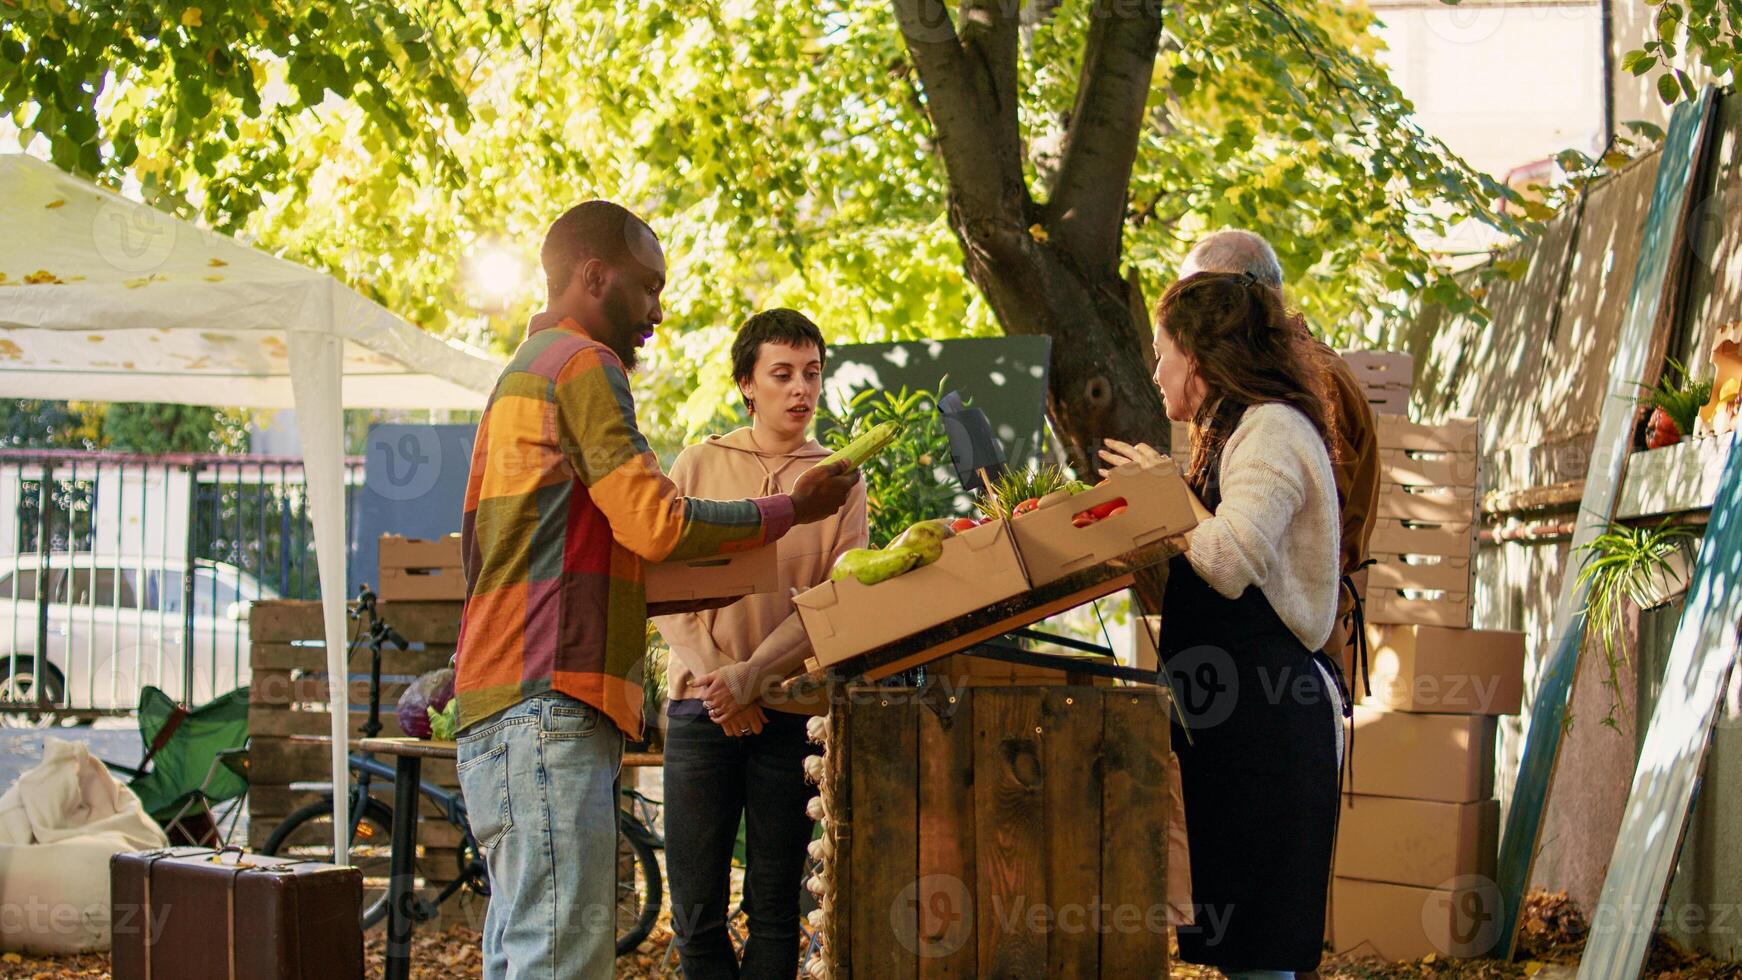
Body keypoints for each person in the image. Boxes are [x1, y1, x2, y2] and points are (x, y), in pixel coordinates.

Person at [451, 202, 859, 980]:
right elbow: (656, 522)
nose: (658, 312)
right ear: (593, 275)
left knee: (522, 949)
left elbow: (498, 547)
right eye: (647, 288)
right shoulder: (582, 365)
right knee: (561, 957)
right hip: (551, 696)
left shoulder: (522, 371)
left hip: (504, 698)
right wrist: (790, 510)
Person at [1101, 271, 1342, 975]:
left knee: (1262, 942)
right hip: (1229, 719)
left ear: (1198, 358)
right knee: (1236, 942)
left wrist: (1164, 494)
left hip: (1269, 720)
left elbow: (1230, 559)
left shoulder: (1270, 431)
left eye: (1159, 351)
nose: (1154, 370)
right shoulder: (1231, 429)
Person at [652, 308, 868, 979]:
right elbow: (662, 588)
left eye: (812, 374)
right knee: (694, 907)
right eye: (783, 374)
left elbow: (832, 601)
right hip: (699, 709)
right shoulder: (697, 463)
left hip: (791, 713)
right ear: (748, 383)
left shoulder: (840, 478)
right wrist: (725, 681)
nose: (801, 389)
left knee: (776, 905)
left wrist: (753, 675)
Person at [1178, 229, 1380, 672]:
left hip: (1291, 649)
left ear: (1232, 300)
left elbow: (1308, 540)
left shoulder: (1308, 386)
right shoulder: (1253, 389)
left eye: (1195, 298)